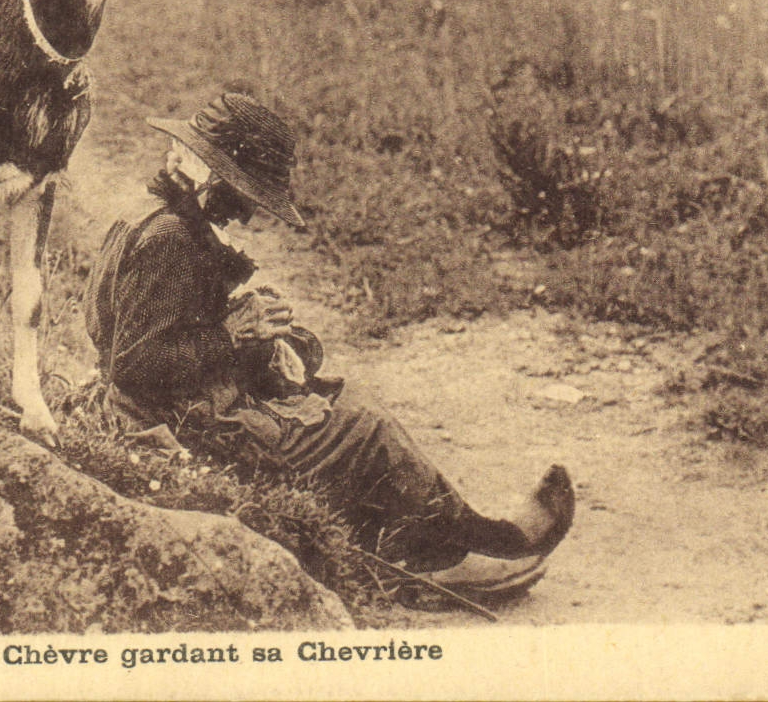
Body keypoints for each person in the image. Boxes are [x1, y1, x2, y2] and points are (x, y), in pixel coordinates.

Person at [84, 92, 575, 603]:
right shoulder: (170, 238)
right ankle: (455, 559)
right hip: (176, 428)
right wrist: (232, 335)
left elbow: (150, 333)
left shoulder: (150, 215)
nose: (249, 213)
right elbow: (133, 365)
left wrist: (264, 339)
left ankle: (440, 541)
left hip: (170, 407)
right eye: (245, 194)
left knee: (326, 394)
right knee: (364, 429)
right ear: (210, 174)